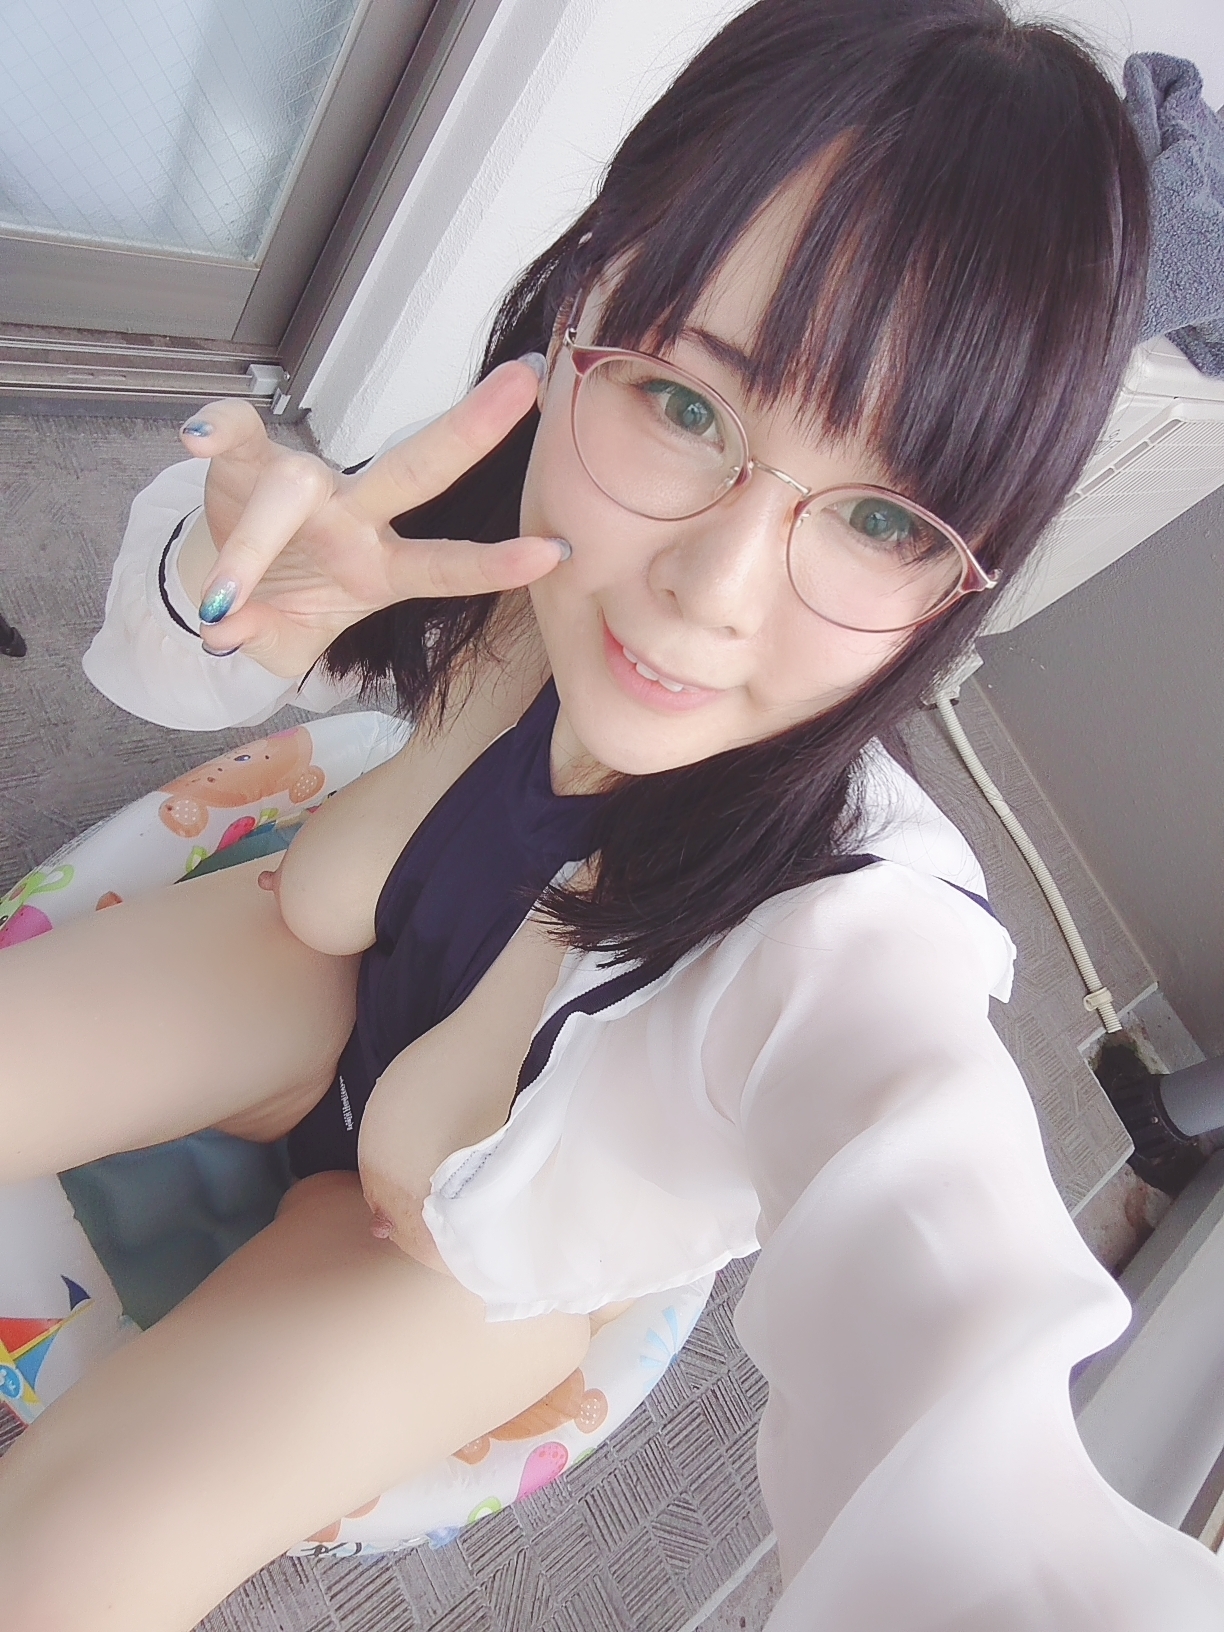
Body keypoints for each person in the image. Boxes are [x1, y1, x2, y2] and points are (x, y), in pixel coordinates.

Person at [3, 1, 1223, 1626]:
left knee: (63, 1562)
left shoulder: (861, 921)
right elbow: (191, 654)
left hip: (437, 1264)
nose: (711, 590)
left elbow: (945, 1305)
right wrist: (219, 584)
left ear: (963, 576)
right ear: (582, 306)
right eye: (689, 407)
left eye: (881, 520)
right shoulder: (508, 521)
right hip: (308, 981)